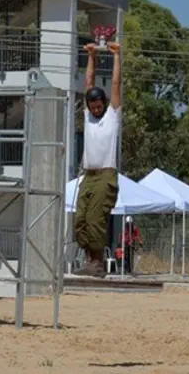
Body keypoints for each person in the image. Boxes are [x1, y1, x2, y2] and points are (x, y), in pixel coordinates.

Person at [73, 41, 122, 277]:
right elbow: (88, 83)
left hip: (105, 174)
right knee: (80, 219)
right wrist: (91, 55)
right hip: (88, 175)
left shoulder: (112, 116)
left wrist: (115, 56)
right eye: (91, 106)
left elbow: (115, 84)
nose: (94, 109)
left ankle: (98, 263)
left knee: (95, 219)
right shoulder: (88, 116)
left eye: (98, 105)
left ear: (104, 104)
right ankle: (88, 260)